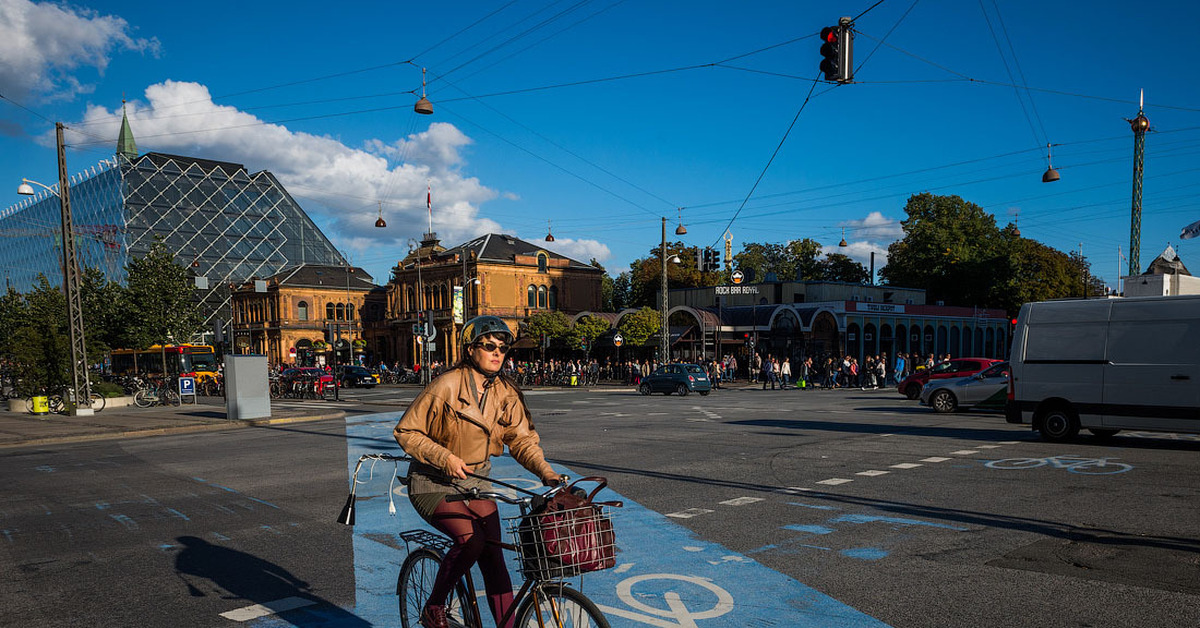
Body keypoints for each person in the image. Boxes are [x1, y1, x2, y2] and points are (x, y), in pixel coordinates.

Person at [393, 316, 561, 628]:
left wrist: (547, 473)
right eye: (489, 346)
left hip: (476, 480)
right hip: (433, 481)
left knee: (494, 555)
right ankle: (434, 606)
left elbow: (522, 440)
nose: (497, 353)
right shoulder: (446, 385)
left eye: (502, 348)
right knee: (471, 540)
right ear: (471, 349)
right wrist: (444, 458)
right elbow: (406, 432)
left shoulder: (506, 393)